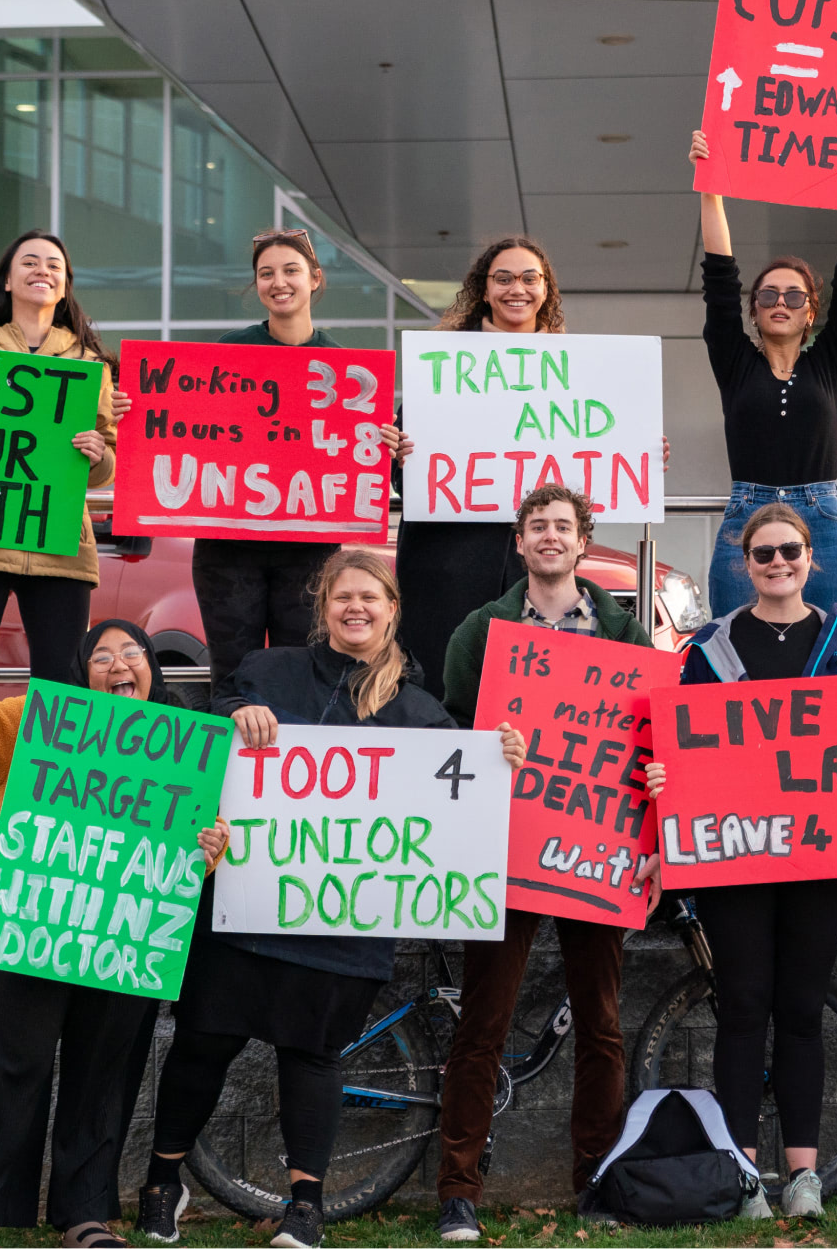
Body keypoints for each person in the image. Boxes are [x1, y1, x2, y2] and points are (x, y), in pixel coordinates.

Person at [139, 550, 525, 1249]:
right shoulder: (268, 671)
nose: (357, 608)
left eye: (370, 598)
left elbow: (460, 798)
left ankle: (305, 1207)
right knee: (202, 1043)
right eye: (344, 596)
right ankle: (162, 1181)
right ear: (324, 608)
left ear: (391, 609)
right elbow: (206, 729)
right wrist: (236, 712)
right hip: (246, 905)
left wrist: (502, 757)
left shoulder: (420, 711)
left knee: (312, 1055)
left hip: (343, 921)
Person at [643, 502, 837, 1220]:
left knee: (802, 1007)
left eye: (790, 551)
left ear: (812, 559)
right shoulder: (708, 648)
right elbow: (676, 743)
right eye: (764, 553)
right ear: (744, 565)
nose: (777, 563)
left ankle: (802, 1176)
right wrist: (662, 776)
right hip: (732, 859)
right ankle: (746, 1173)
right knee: (744, 1007)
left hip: (818, 857)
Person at [432, 485, 656, 1244]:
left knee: (602, 1023)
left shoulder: (626, 634)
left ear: (584, 540)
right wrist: (492, 743)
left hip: (597, 849)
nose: (551, 537)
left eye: (564, 526)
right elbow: (454, 728)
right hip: (507, 846)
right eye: (539, 527)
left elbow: (650, 740)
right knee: (483, 1023)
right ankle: (458, 1191)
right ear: (520, 542)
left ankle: (594, 1177)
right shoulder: (482, 629)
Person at [0, 616, 179, 1249]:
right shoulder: (34, 722)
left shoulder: (181, 746)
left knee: (104, 1073)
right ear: (80, 672)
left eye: (132, 652)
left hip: (129, 931)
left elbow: (207, 829)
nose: (119, 664)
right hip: (37, 922)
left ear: (152, 667)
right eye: (102, 657)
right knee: (12, 1063)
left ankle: (84, 1216)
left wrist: (213, 844)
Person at [0, 230, 118, 878]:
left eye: (54, 264)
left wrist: (99, 455)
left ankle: (46, 836)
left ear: (65, 285)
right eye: (28, 261)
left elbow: (105, 469)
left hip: (60, 548)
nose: (41, 270)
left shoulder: (91, 362)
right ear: (6, 279)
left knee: (61, 687)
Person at [688, 129, 837, 619]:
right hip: (748, 516)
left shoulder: (829, 362)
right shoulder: (735, 362)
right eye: (767, 295)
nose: (780, 302)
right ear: (754, 311)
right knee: (734, 648)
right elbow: (719, 277)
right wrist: (710, 186)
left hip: (820, 518)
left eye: (794, 296)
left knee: (831, 650)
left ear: (810, 314)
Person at [379, 237, 562, 702]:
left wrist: (643, 450)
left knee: (527, 699)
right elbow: (406, 478)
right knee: (443, 691)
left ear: (546, 289)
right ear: (484, 289)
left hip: (532, 559)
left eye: (528, 278)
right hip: (446, 562)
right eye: (502, 279)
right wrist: (398, 453)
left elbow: (594, 473)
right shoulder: (440, 364)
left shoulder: (574, 367)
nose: (515, 289)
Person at [188, 230, 352, 705]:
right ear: (256, 284)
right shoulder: (228, 351)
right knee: (232, 678)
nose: (278, 282)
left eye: (290, 270)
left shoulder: (344, 366)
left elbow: (354, 459)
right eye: (266, 274)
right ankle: (230, 780)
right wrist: (141, 411)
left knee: (301, 677)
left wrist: (381, 444)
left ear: (315, 278)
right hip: (227, 550)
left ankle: (287, 779)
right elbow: (187, 432)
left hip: (307, 552)